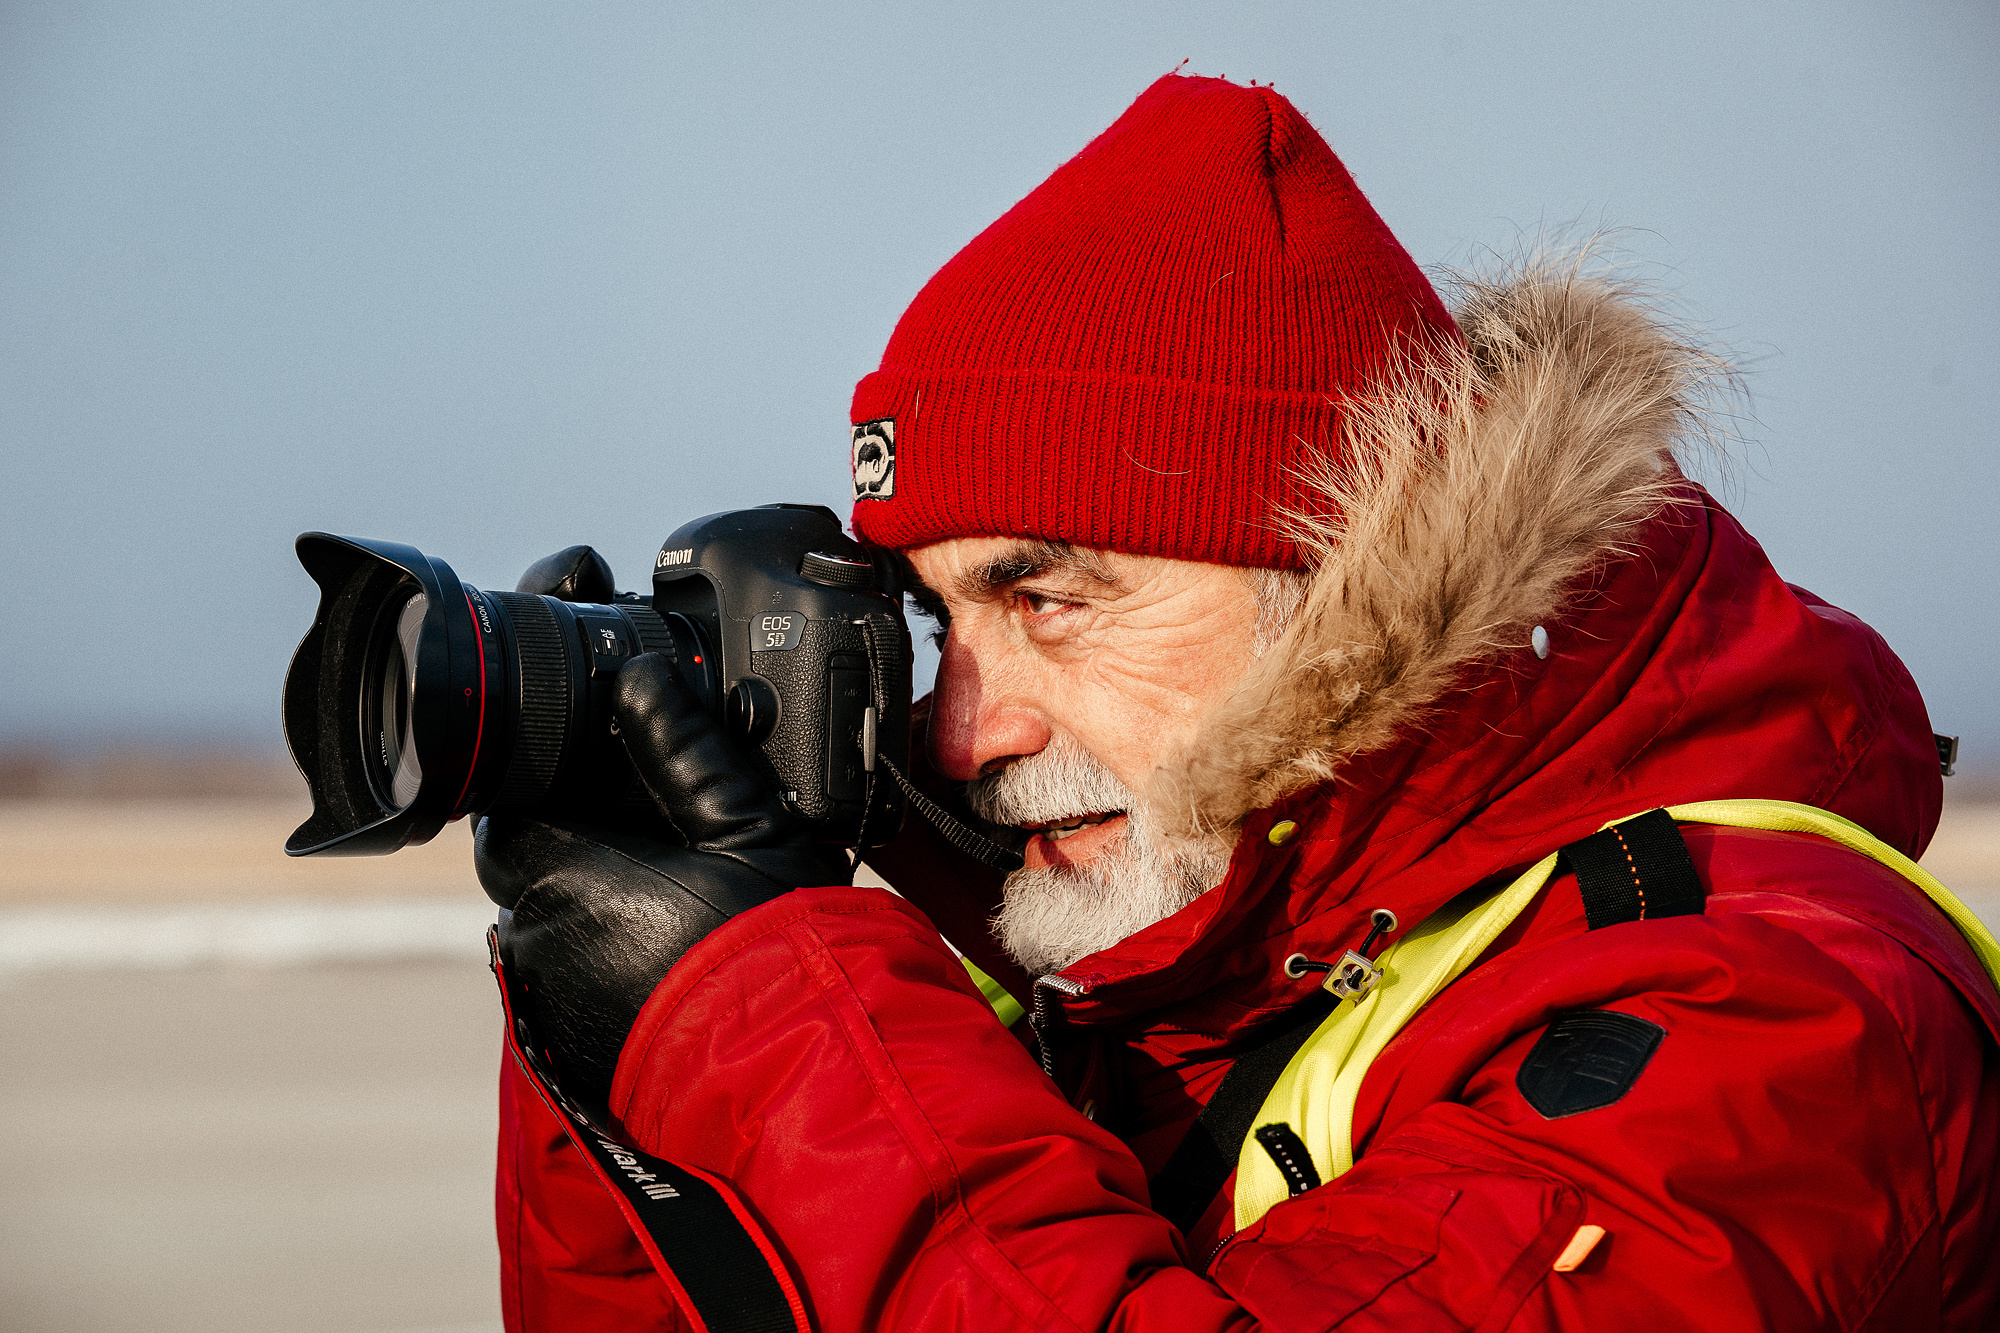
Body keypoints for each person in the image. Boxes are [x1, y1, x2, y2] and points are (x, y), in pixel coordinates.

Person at [475, 74, 2000, 1332]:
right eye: (942, 621)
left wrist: (770, 1009)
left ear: (1346, 580)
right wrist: (610, 1028)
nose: (962, 732)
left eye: (1050, 596)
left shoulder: (1772, 1014)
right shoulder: (1145, 970)